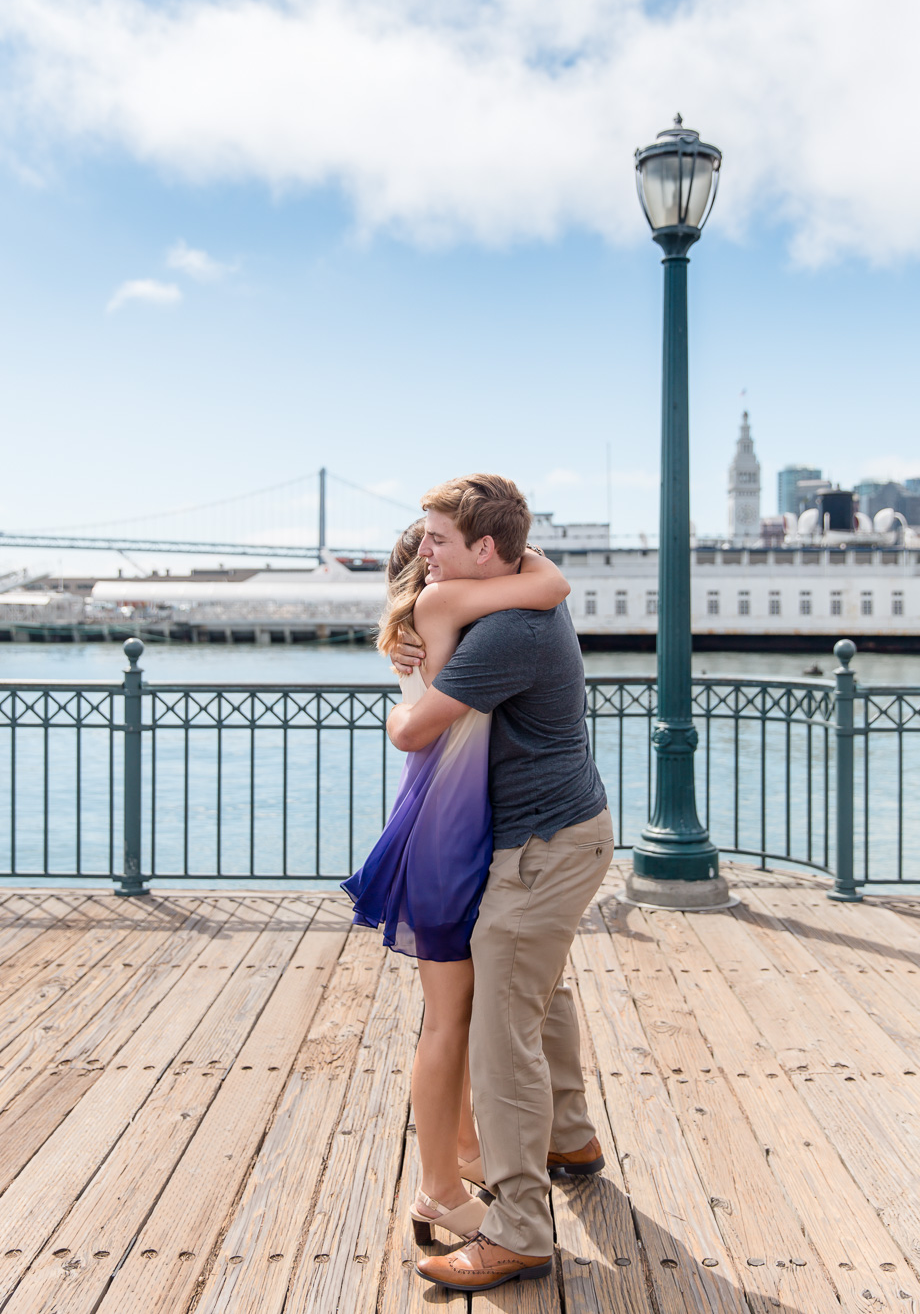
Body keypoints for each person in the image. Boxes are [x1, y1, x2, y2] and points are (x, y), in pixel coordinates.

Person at [387, 472, 614, 1294]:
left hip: (542, 845)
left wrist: (404, 681)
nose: (423, 551)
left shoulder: (508, 631)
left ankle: (518, 1231)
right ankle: (573, 1140)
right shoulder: (520, 590)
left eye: (439, 540)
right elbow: (542, 566)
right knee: (538, 991)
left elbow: (412, 733)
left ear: (488, 551)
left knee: (500, 1031)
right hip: (564, 831)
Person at [341, 512, 571, 1249]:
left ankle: (466, 1152)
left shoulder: (432, 621)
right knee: (447, 1021)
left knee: (463, 1013)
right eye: (432, 545)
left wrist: (486, 545)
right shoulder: (442, 607)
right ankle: (438, 1190)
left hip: (458, 823)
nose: (439, 556)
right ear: (429, 565)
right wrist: (495, 541)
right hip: (447, 834)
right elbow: (550, 581)